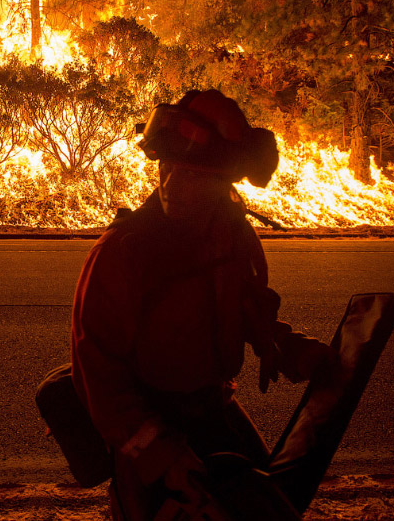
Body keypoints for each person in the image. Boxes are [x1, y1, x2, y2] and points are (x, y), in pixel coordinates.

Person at [70, 89, 333, 520]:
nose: (171, 185)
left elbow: (245, 308)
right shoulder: (124, 252)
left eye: (191, 173)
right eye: (166, 167)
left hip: (216, 411)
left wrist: (291, 349)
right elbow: (96, 368)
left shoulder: (231, 238)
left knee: (272, 505)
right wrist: (160, 454)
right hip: (151, 426)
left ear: (224, 180)